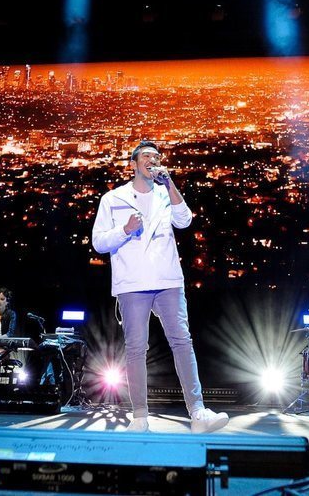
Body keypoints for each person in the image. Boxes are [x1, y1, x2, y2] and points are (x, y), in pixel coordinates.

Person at [92, 141, 229, 434]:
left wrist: (170, 185)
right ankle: (139, 416)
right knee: (136, 349)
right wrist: (125, 230)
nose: (152, 161)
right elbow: (99, 242)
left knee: (182, 341)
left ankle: (198, 412)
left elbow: (185, 220)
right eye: (146, 156)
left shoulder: (166, 193)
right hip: (134, 283)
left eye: (156, 157)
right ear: (133, 164)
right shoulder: (113, 198)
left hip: (167, 280)